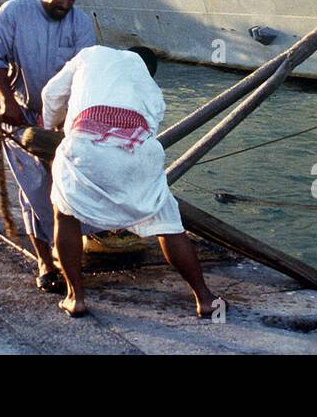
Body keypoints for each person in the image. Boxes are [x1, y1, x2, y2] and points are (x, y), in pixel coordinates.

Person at [42, 45, 221, 319]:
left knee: (65, 214)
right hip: (138, 152)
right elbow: (147, 128)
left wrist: (51, 126)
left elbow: (51, 94)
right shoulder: (152, 90)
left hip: (87, 146)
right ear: (148, 71)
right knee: (169, 225)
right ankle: (205, 298)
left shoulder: (91, 54)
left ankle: (75, 297)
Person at [0, 0, 95, 293]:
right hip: (21, 119)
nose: (64, 4)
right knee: (34, 191)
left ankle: (67, 254)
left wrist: (71, 120)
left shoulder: (82, 23)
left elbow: (87, 74)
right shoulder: (12, 12)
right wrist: (7, 101)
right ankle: (47, 262)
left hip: (64, 122)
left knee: (66, 192)